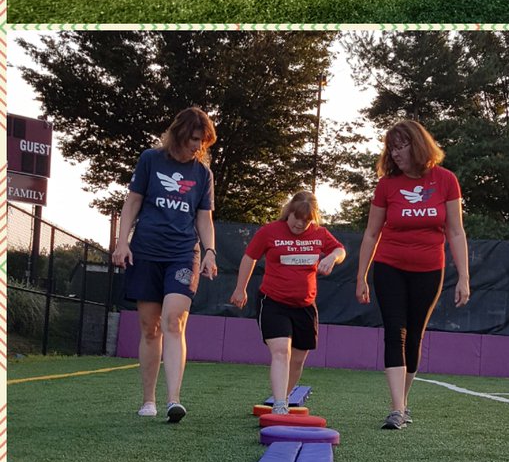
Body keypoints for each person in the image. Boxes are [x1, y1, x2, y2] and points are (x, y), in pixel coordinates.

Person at [355, 119, 470, 430]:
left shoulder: (445, 180)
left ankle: (402, 404)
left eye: (401, 145)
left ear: (418, 145)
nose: (395, 153)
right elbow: (370, 234)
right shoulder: (386, 185)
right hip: (389, 266)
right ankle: (396, 408)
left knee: (415, 334)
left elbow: (456, 233)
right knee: (395, 330)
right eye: (391, 148)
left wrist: (464, 278)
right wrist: (361, 276)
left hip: (429, 270)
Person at [111, 107, 219, 424]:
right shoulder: (150, 160)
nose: (198, 147)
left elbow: (204, 218)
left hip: (183, 253)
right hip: (146, 250)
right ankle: (149, 400)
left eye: (203, 142)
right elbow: (132, 202)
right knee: (150, 327)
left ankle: (174, 400)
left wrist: (210, 251)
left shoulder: (203, 174)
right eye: (194, 140)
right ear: (179, 135)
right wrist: (122, 242)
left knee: (174, 321)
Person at [230, 191, 345, 413]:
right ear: (289, 211)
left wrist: (331, 257)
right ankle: (281, 405)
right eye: (297, 217)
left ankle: (279, 397)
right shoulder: (270, 231)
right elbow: (249, 257)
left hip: (305, 305)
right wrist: (240, 288)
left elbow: (340, 250)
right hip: (273, 302)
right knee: (282, 350)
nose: (300, 224)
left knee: (299, 358)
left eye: (306, 220)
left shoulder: (319, 234)